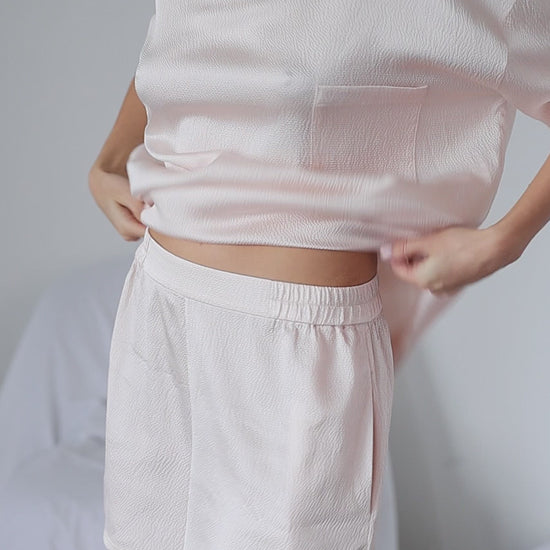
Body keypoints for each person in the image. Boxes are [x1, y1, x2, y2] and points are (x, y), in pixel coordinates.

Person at [89, 1, 550, 548]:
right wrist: (112, 156)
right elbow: (185, 38)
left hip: (296, 346)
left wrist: (503, 242)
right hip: (159, 304)